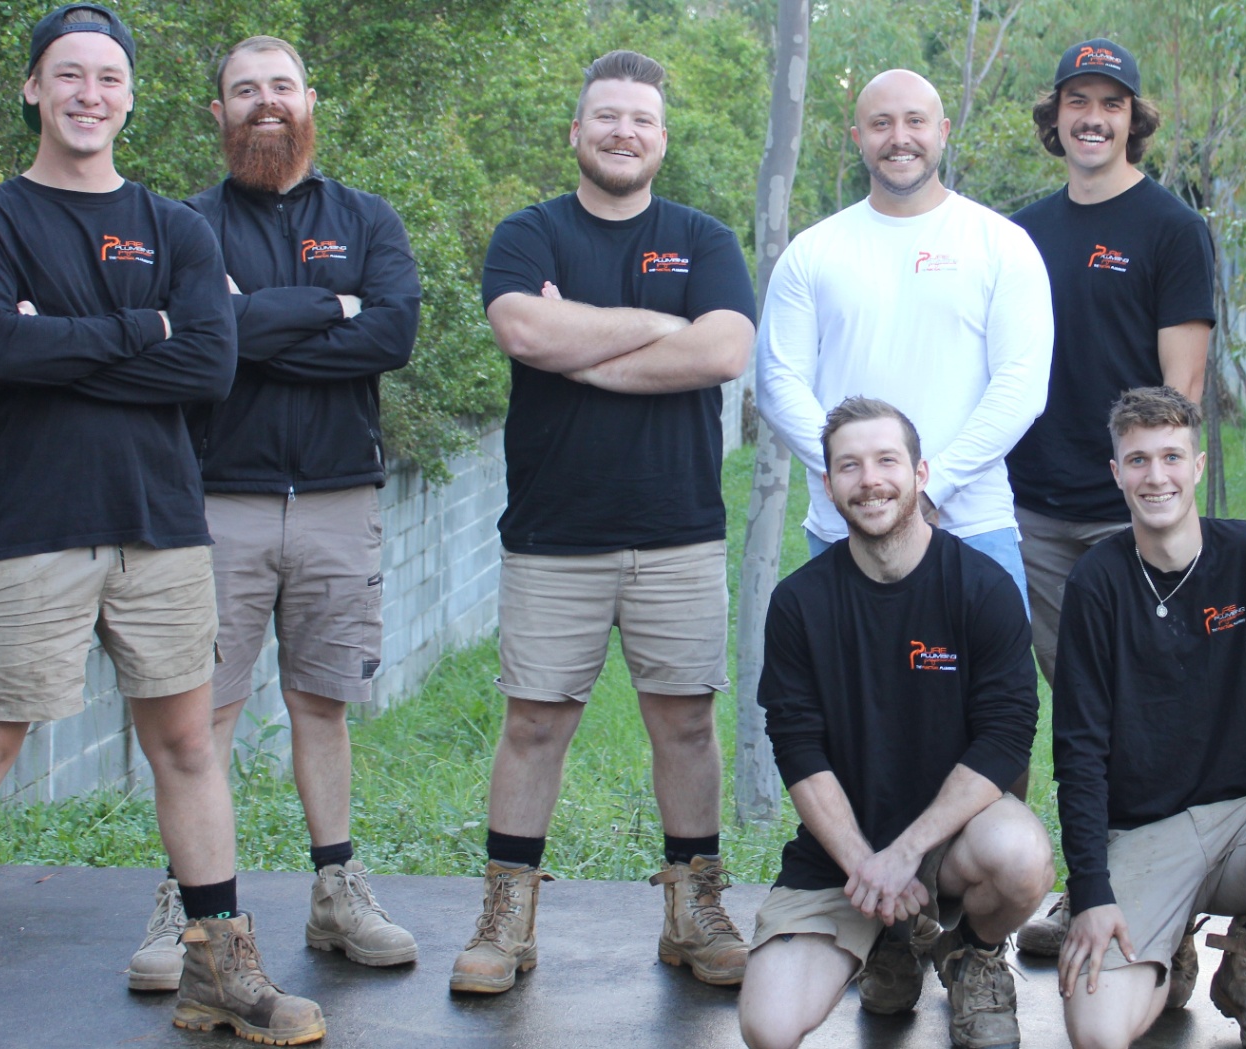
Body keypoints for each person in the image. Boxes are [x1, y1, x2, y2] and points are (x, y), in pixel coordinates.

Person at [0, 6, 324, 1045]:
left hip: (161, 524)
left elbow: (208, 362)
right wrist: (140, 327)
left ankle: (220, 974)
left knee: (189, 744)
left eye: (109, 77)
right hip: (33, 526)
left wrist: (64, 337)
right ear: (33, 89)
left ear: (132, 96)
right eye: (68, 75)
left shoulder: (176, 227)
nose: (89, 93)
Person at [117, 34, 424, 992]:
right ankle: (192, 908)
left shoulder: (367, 217)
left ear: (309, 101)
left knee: (321, 702)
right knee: (197, 716)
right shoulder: (184, 226)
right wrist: (332, 307)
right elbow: (210, 346)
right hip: (214, 504)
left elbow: (395, 330)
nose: (265, 103)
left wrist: (268, 322)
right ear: (217, 112)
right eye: (244, 91)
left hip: (338, 496)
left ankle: (337, 892)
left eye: (280, 88)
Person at [453, 49, 757, 995]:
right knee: (535, 726)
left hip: (678, 530)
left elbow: (727, 347)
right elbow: (525, 332)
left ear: (662, 140)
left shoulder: (703, 237)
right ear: (576, 133)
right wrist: (664, 327)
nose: (624, 131)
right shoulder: (529, 233)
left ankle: (694, 905)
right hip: (554, 532)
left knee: (686, 726)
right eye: (607, 117)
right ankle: (508, 915)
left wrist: (589, 342)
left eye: (641, 119)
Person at [1054, 387, 1246, 1049]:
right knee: (1099, 1033)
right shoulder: (1096, 581)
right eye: (1138, 460)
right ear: (1116, 473)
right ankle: (1167, 948)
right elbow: (1078, 751)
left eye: (1172, 456)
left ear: (1198, 466)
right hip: (1142, 834)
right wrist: (1091, 892)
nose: (1156, 475)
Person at [736, 398, 1054, 1049]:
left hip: (954, 838)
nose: (869, 479)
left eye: (887, 460)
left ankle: (971, 955)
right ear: (828, 486)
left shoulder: (982, 588)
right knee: (767, 1027)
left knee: (1021, 857)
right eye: (849, 465)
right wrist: (866, 864)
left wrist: (907, 853)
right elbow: (797, 747)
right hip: (841, 852)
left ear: (920, 473)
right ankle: (893, 938)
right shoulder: (799, 604)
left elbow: (1007, 734)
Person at [1009, 37, 1216, 964]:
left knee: (1142, 705)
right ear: (1056, 116)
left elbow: (1184, 383)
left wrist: (1159, 498)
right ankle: (1069, 883)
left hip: (1128, 512)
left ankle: (1151, 894)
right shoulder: (1017, 231)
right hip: (1029, 512)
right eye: (1078, 101)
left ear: (1135, 118)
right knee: (1066, 704)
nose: (1094, 117)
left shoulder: (1171, 227)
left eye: (1112, 102)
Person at [754, 68, 1053, 603]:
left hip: (973, 525)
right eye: (880, 123)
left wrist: (930, 489)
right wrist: (856, 481)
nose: (899, 138)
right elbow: (778, 382)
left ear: (942, 131)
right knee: (848, 689)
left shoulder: (1002, 244)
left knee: (987, 689)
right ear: (858, 139)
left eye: (915, 121)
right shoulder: (813, 251)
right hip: (844, 530)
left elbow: (1021, 384)